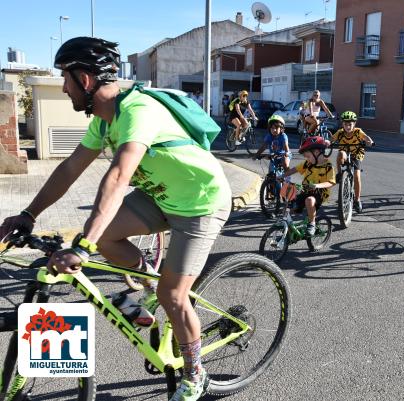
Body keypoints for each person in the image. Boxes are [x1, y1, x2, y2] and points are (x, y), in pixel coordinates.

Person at [0, 37, 231, 401]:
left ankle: (195, 373)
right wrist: (29, 214)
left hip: (201, 204)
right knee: (108, 239)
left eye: (65, 78)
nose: (63, 88)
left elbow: (119, 177)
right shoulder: (104, 122)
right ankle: (150, 290)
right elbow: (70, 168)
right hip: (161, 197)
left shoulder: (138, 110)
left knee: (175, 294)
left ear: (86, 80)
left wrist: (83, 247)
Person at [281, 136, 335, 236]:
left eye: (308, 156)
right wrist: (282, 176)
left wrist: (317, 186)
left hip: (320, 192)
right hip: (306, 189)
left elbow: (331, 182)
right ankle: (285, 225)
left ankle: (312, 224)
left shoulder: (328, 166)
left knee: (309, 200)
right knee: (289, 203)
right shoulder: (308, 163)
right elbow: (295, 169)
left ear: (316, 152)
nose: (307, 159)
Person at [331, 110, 374, 213]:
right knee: (340, 154)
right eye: (346, 124)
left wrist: (370, 141)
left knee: (357, 176)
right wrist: (327, 142)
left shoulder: (358, 131)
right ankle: (340, 173)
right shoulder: (340, 132)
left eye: (350, 124)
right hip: (345, 152)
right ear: (343, 124)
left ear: (354, 124)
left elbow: (366, 137)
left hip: (357, 153)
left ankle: (357, 199)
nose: (348, 127)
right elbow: (331, 139)